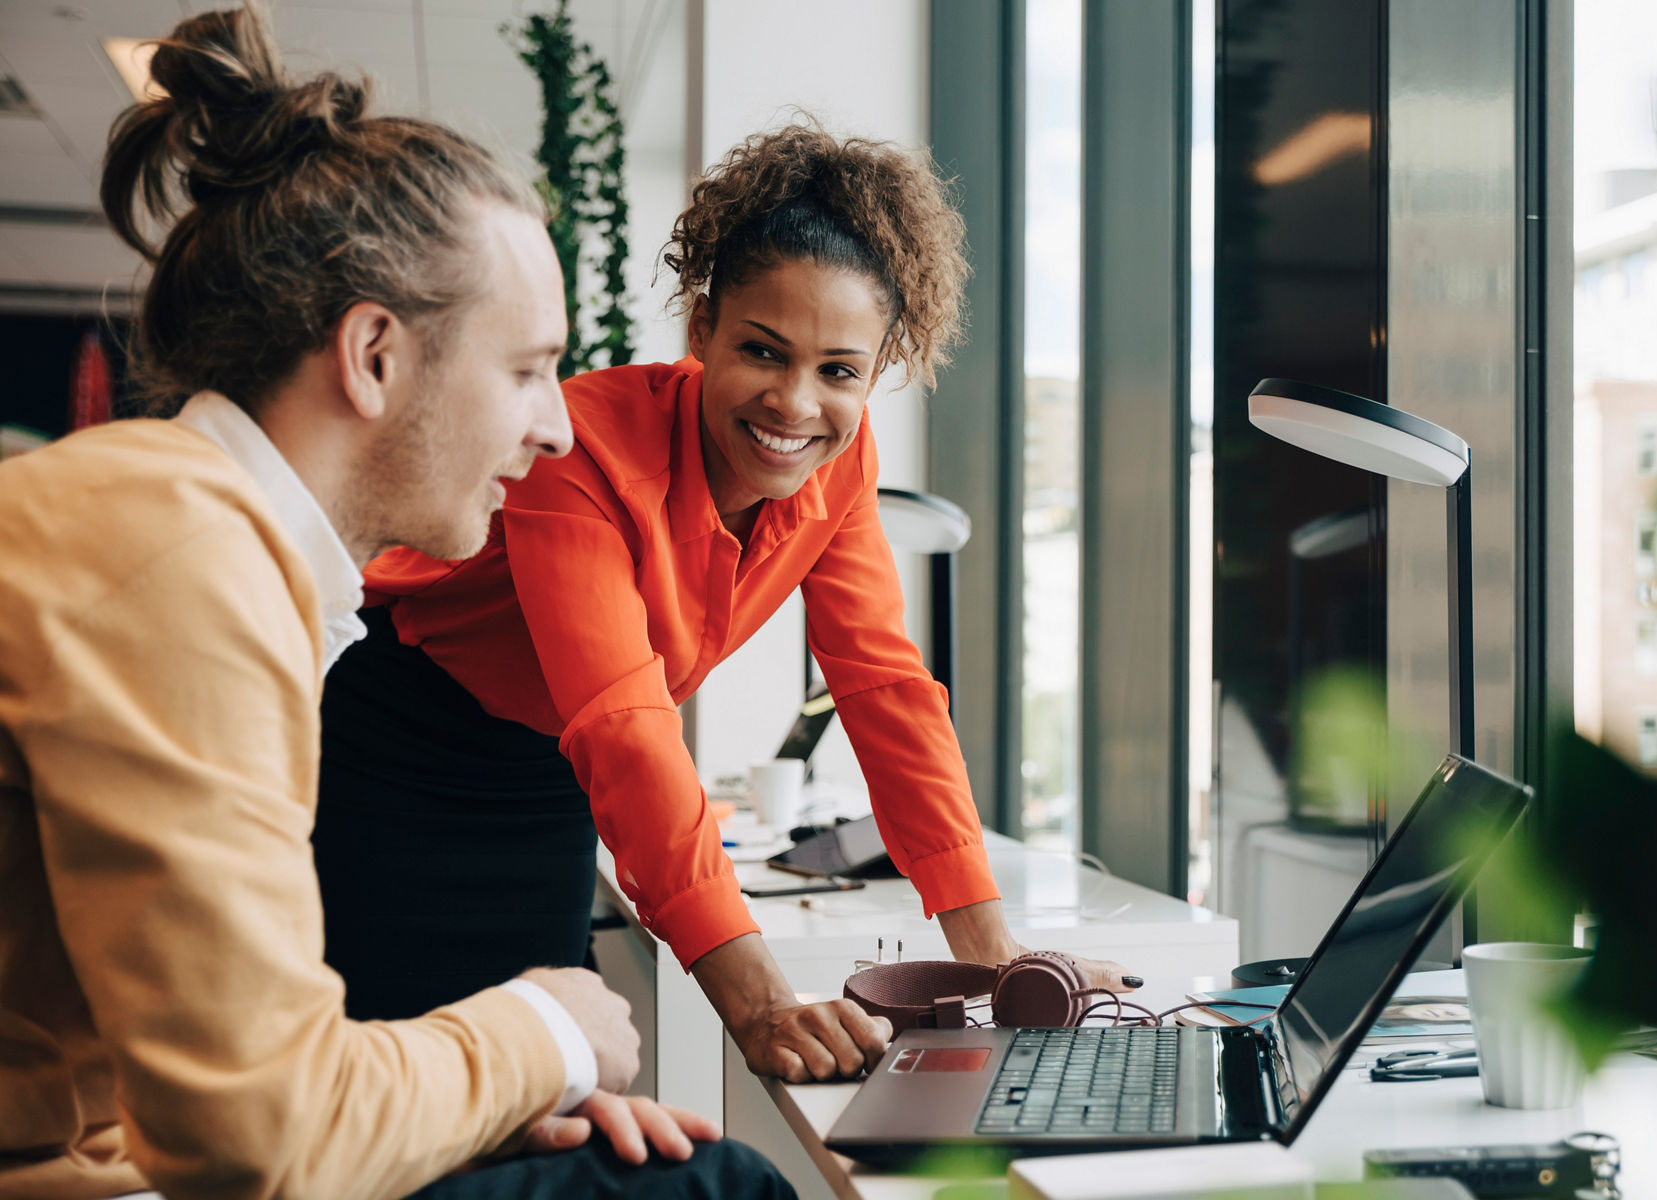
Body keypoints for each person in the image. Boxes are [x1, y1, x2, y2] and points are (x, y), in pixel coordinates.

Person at [0, 6, 792, 1199]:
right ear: (374, 357)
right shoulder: (177, 555)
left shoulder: (198, 534)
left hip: (110, 1156)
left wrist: (476, 1102)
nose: (556, 426)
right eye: (526, 369)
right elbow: (259, 1135)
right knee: (713, 1187)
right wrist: (547, 1030)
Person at [313, 121, 1137, 1082]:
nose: (795, 404)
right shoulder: (578, 450)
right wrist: (760, 1003)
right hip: (397, 737)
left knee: (547, 1083)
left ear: (876, 372)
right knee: (390, 1077)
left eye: (839, 371)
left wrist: (997, 955)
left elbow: (883, 684)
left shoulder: (841, 462)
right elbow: (623, 722)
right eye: (763, 351)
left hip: (547, 768)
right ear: (702, 328)